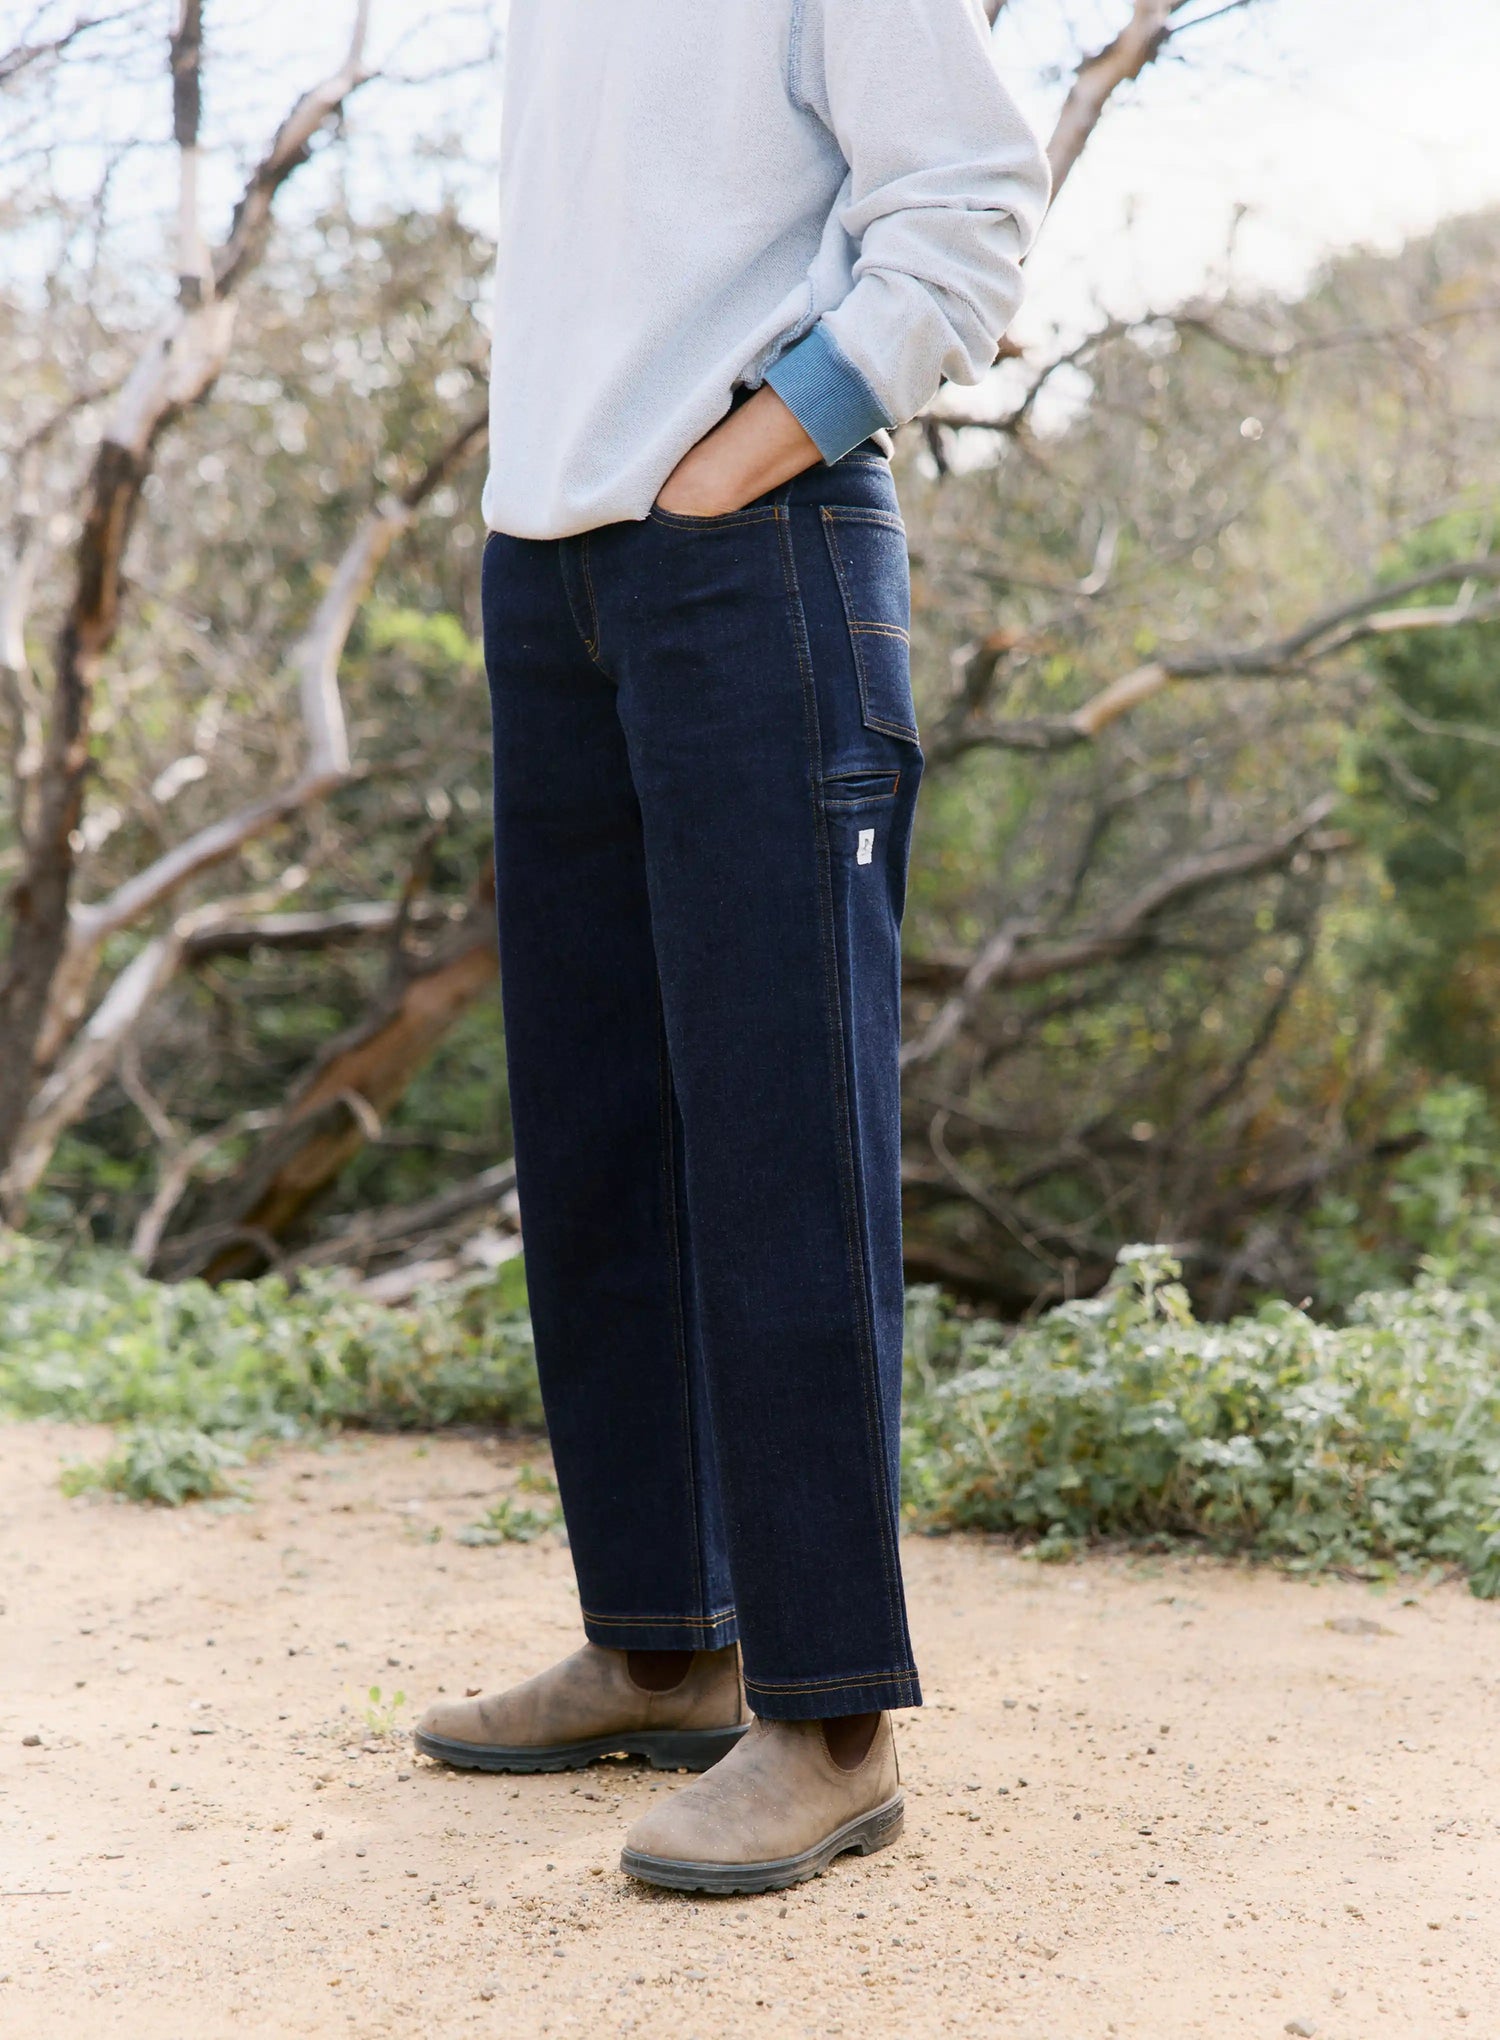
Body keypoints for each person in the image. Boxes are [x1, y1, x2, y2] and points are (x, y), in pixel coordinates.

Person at [415, 0, 1050, 1895]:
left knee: (785, 1136)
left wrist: (758, 443)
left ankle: (831, 1718)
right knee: (597, 1136)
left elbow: (974, 198)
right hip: (552, 566)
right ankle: (661, 1635)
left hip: (747, 553)